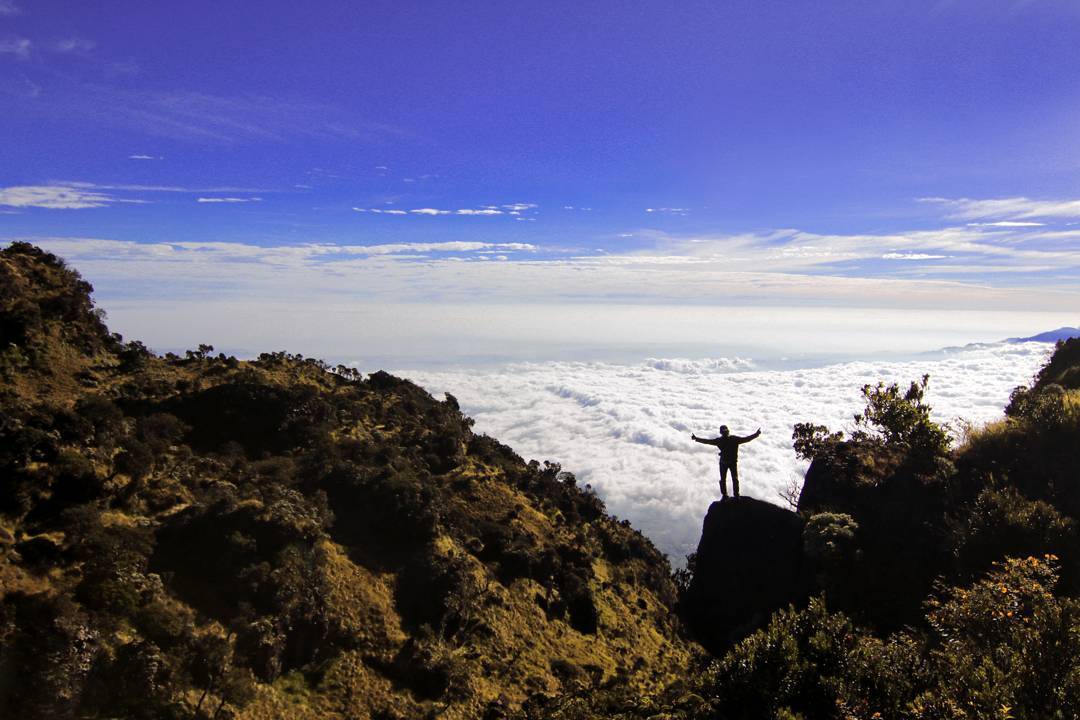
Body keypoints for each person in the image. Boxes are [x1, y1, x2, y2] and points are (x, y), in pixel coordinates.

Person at [691, 425, 761, 498]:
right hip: (728, 462)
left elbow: (707, 441)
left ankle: (729, 495)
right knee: (731, 479)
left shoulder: (722, 440)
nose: (725, 433)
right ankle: (732, 495)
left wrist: (696, 438)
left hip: (726, 463)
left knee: (728, 480)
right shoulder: (732, 439)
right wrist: (756, 434)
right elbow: (747, 439)